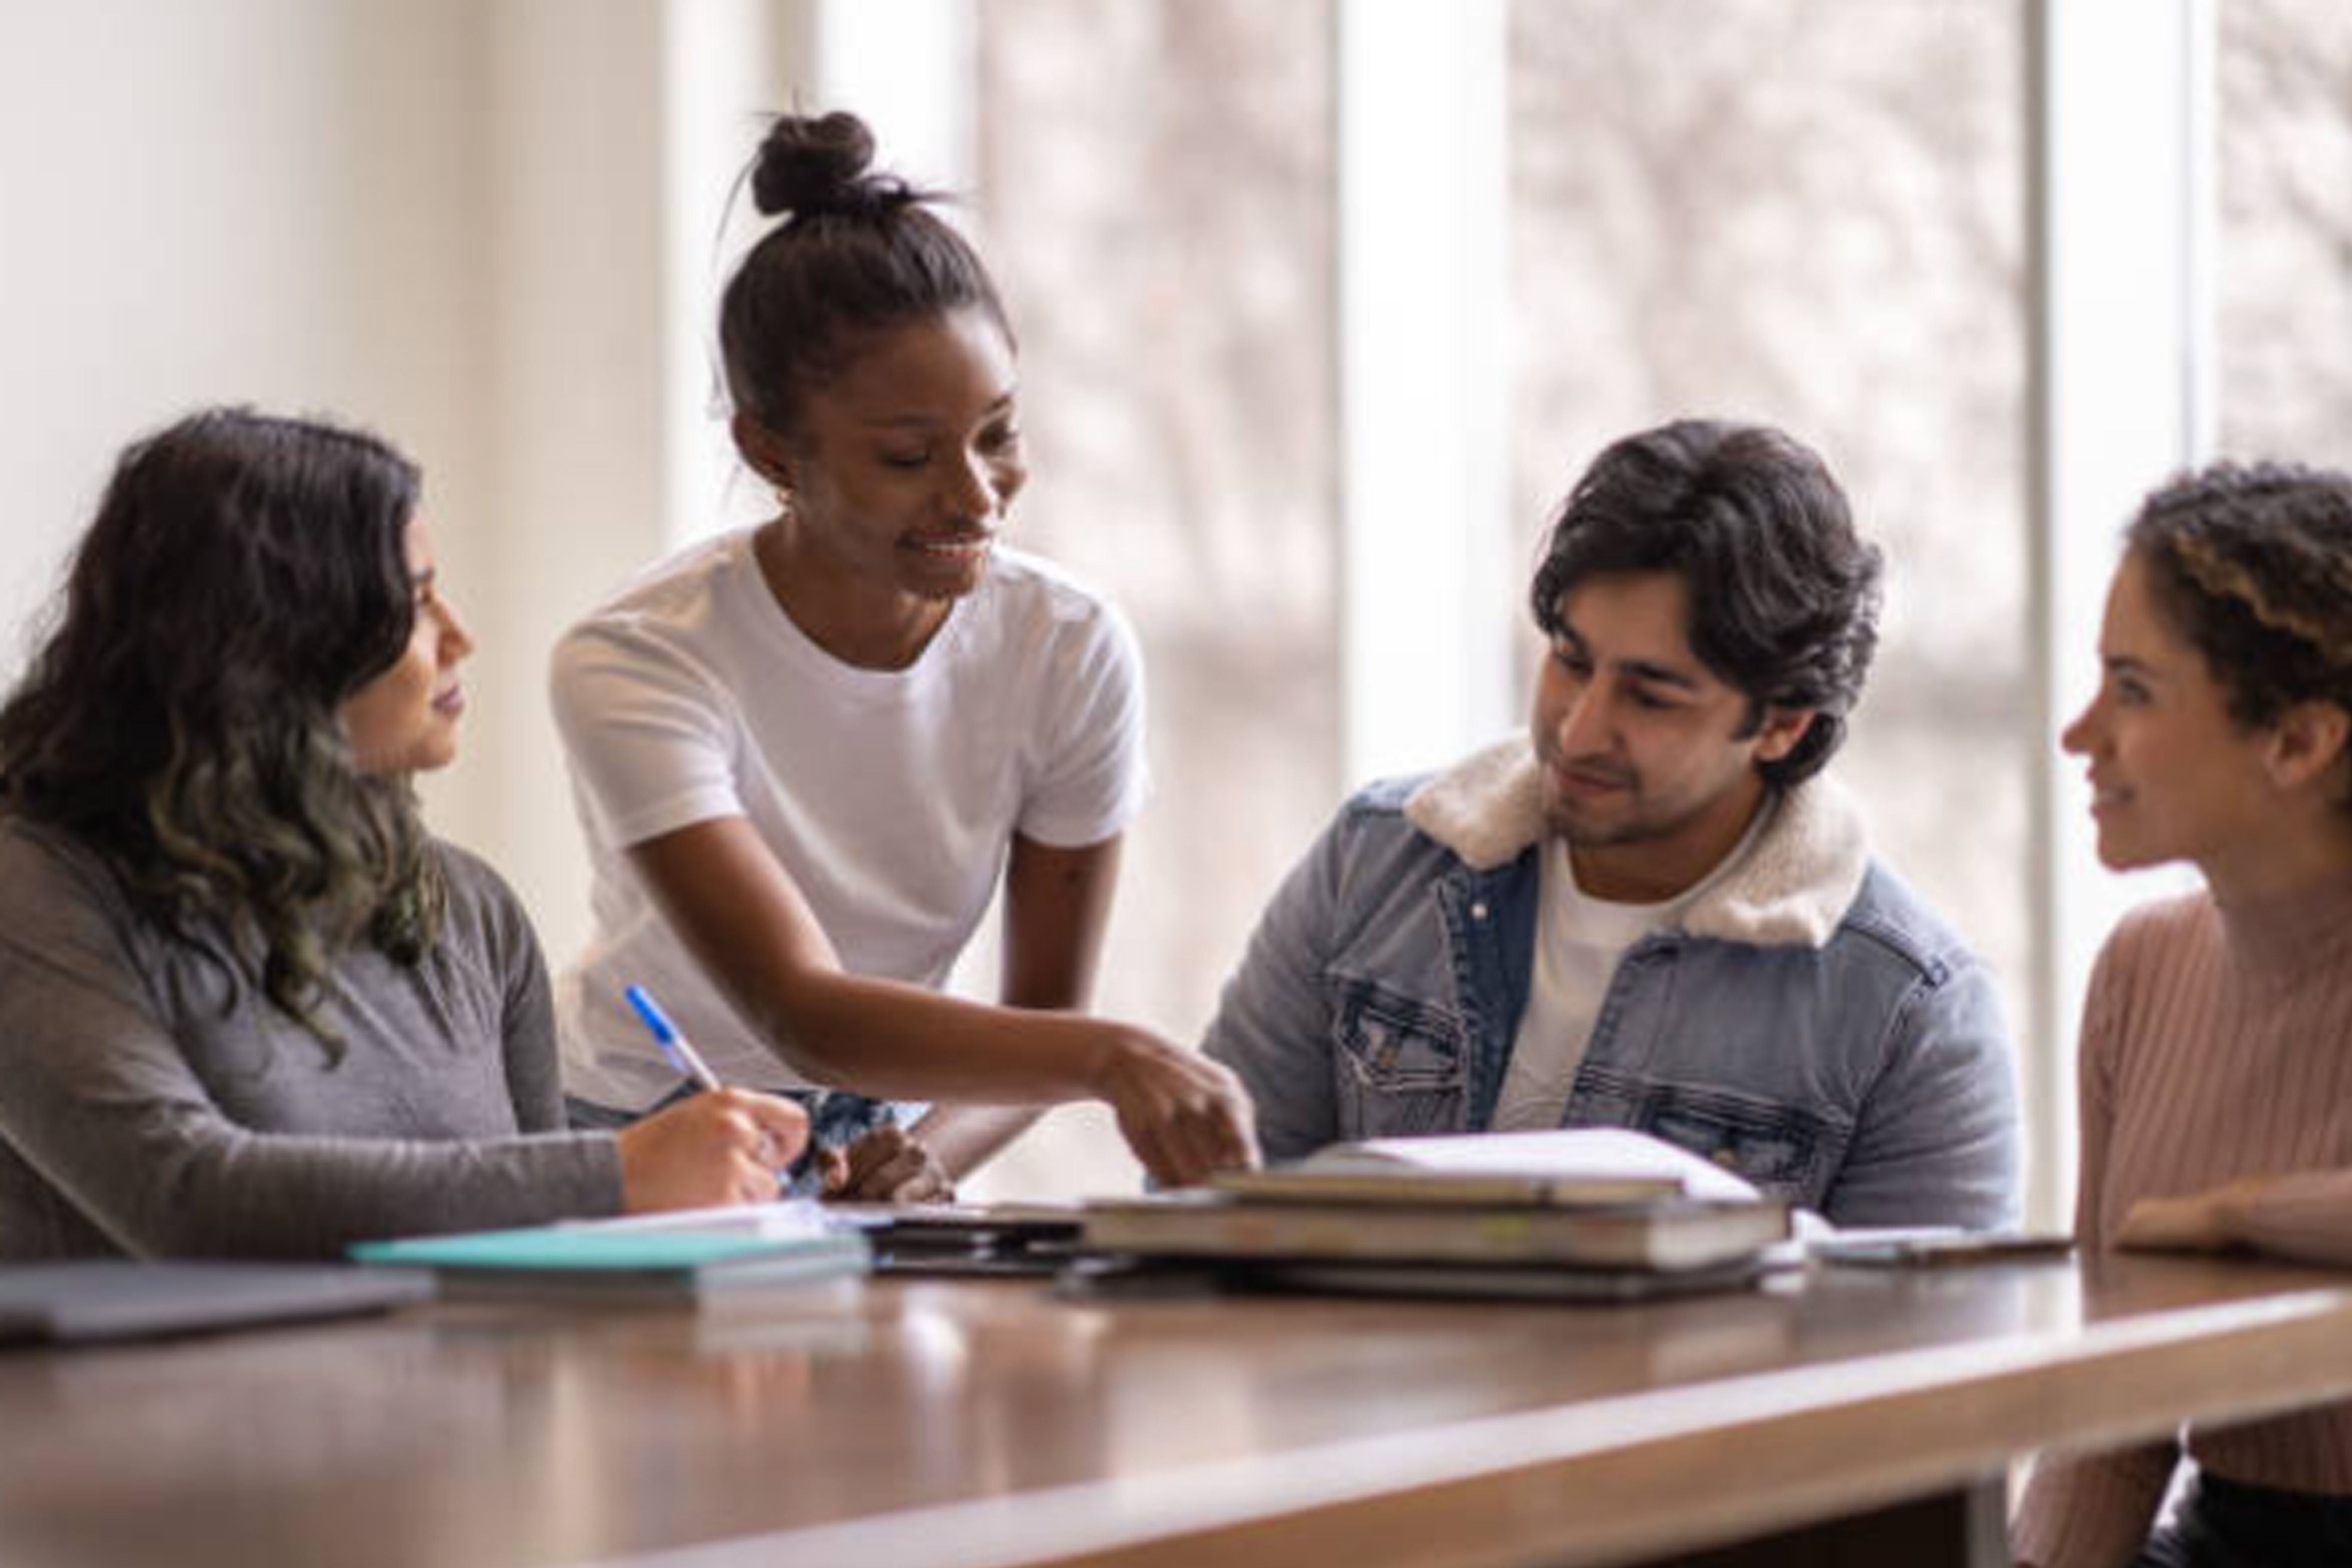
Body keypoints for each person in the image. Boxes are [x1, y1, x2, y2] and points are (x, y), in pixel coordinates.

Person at [549, 110, 1254, 1194]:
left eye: (999, 434)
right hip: (639, 1135)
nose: (975, 495)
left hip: (862, 1139)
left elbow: (1041, 1011)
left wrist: (927, 1155)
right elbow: (801, 1009)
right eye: (909, 455)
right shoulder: (639, 659)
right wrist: (1119, 1056)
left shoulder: (1065, 649)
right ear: (769, 449)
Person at [0, 408, 814, 1261]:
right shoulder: (38, 883)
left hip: (454, 1393)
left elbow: (545, 1246)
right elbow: (183, 1198)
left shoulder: (472, 910)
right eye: (417, 603)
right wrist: (618, 1172)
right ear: (275, 643)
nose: (460, 637)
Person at [1203, 418, 2019, 1228]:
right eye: (1571, 659)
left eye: (1651, 695)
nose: (1579, 729)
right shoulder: (1374, 864)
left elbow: (1931, 1346)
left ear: (1783, 725)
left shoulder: (1907, 1012)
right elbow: (1208, 1205)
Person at [2012, 462, 2352, 1568]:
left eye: (2134, 689)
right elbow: (2116, 1417)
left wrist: (2238, 1216)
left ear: (2300, 743)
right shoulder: (2142, 970)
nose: (2080, 733)